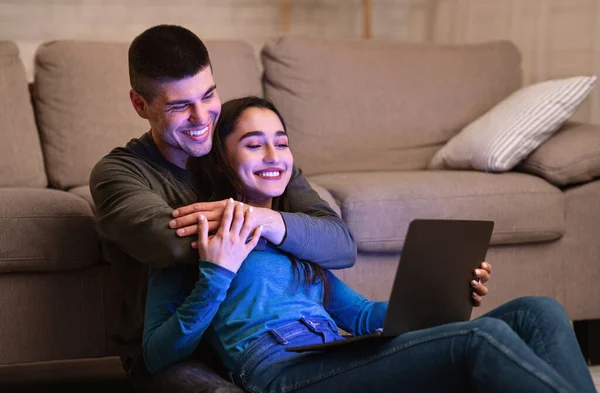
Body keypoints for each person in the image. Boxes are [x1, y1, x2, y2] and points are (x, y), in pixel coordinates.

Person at [141, 95, 596, 393]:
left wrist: (442, 296)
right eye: (254, 144)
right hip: (277, 371)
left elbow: (358, 316)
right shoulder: (195, 229)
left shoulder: (298, 233)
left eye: (281, 143)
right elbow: (158, 354)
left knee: (539, 311)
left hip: (331, 352)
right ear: (222, 157)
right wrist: (216, 274)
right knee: (481, 340)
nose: (274, 157)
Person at [89, 25, 357, 392]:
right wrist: (272, 225)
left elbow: (339, 242)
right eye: (180, 105)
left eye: (209, 95)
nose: (202, 119)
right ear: (140, 104)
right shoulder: (118, 173)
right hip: (176, 351)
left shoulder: (244, 148)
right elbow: (168, 243)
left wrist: (267, 218)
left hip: (257, 341)